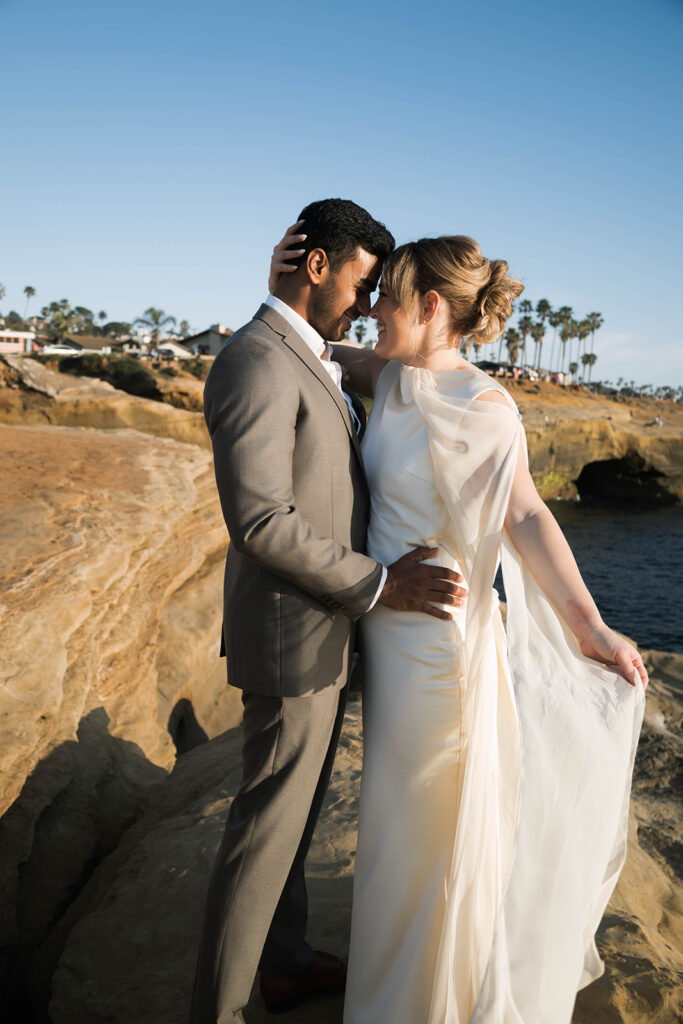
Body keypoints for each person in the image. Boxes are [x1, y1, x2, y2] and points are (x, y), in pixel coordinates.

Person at [270, 230, 648, 1023]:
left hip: (437, 647)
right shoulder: (396, 378)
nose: (372, 311)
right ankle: (391, 982)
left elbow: (528, 515)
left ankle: (428, 999)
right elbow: (312, 345)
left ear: (432, 307)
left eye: (389, 299)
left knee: (431, 829)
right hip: (386, 630)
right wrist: (280, 280)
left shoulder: (484, 405)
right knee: (395, 827)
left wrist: (590, 628)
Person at [189, 200, 466, 1024]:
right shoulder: (257, 363)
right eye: (361, 278)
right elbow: (261, 520)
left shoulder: (300, 351)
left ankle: (284, 963)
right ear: (319, 268)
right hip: (292, 631)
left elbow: (336, 354)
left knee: (296, 820)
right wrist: (383, 586)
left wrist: (282, 293)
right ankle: (222, 1009)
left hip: (320, 627)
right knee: (264, 834)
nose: (367, 297)